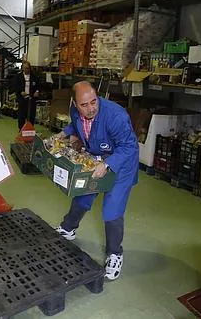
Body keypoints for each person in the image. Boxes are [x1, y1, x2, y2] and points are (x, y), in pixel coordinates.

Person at [54, 81, 139, 280]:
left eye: (94, 102)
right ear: (75, 104)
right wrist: (64, 135)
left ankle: (115, 253)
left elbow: (129, 146)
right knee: (83, 192)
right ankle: (68, 228)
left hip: (121, 162)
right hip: (96, 158)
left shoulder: (115, 116)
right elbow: (75, 124)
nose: (91, 108)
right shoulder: (76, 111)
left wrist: (108, 164)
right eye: (84, 105)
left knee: (112, 209)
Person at [13, 61, 39, 131]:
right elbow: (15, 86)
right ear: (22, 68)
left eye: (27, 68)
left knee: (31, 116)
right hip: (22, 99)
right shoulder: (18, 77)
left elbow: (39, 85)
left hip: (31, 99)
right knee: (21, 116)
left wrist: (37, 91)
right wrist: (20, 92)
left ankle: (30, 129)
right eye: (24, 68)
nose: (26, 70)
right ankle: (21, 130)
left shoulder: (34, 76)